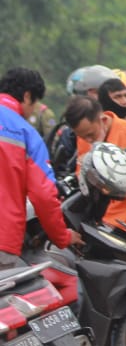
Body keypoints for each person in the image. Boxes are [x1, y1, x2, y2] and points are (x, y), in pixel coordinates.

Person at [0, 67, 78, 269]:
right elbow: (44, 196)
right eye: (34, 104)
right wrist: (62, 237)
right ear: (27, 97)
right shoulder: (26, 133)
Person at [68, 92, 126, 239]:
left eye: (91, 135)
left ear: (103, 120)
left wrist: (106, 177)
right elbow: (84, 185)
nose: (88, 140)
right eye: (82, 137)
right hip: (99, 225)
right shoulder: (84, 137)